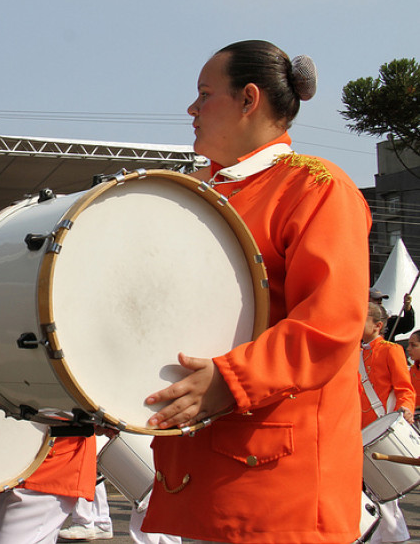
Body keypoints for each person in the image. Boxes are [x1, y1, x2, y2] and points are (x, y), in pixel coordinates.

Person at [142, 40, 371, 543]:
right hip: (197, 464)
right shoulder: (196, 193)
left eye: (204, 95)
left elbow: (329, 324)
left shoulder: (317, 187)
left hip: (276, 477)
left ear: (249, 99)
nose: (192, 109)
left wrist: (231, 378)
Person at [360, 301, 415, 543]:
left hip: (380, 427)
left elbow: (405, 388)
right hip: (357, 429)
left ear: (377, 325)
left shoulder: (391, 350)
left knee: (383, 487)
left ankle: (394, 535)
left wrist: (405, 410)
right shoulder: (355, 353)